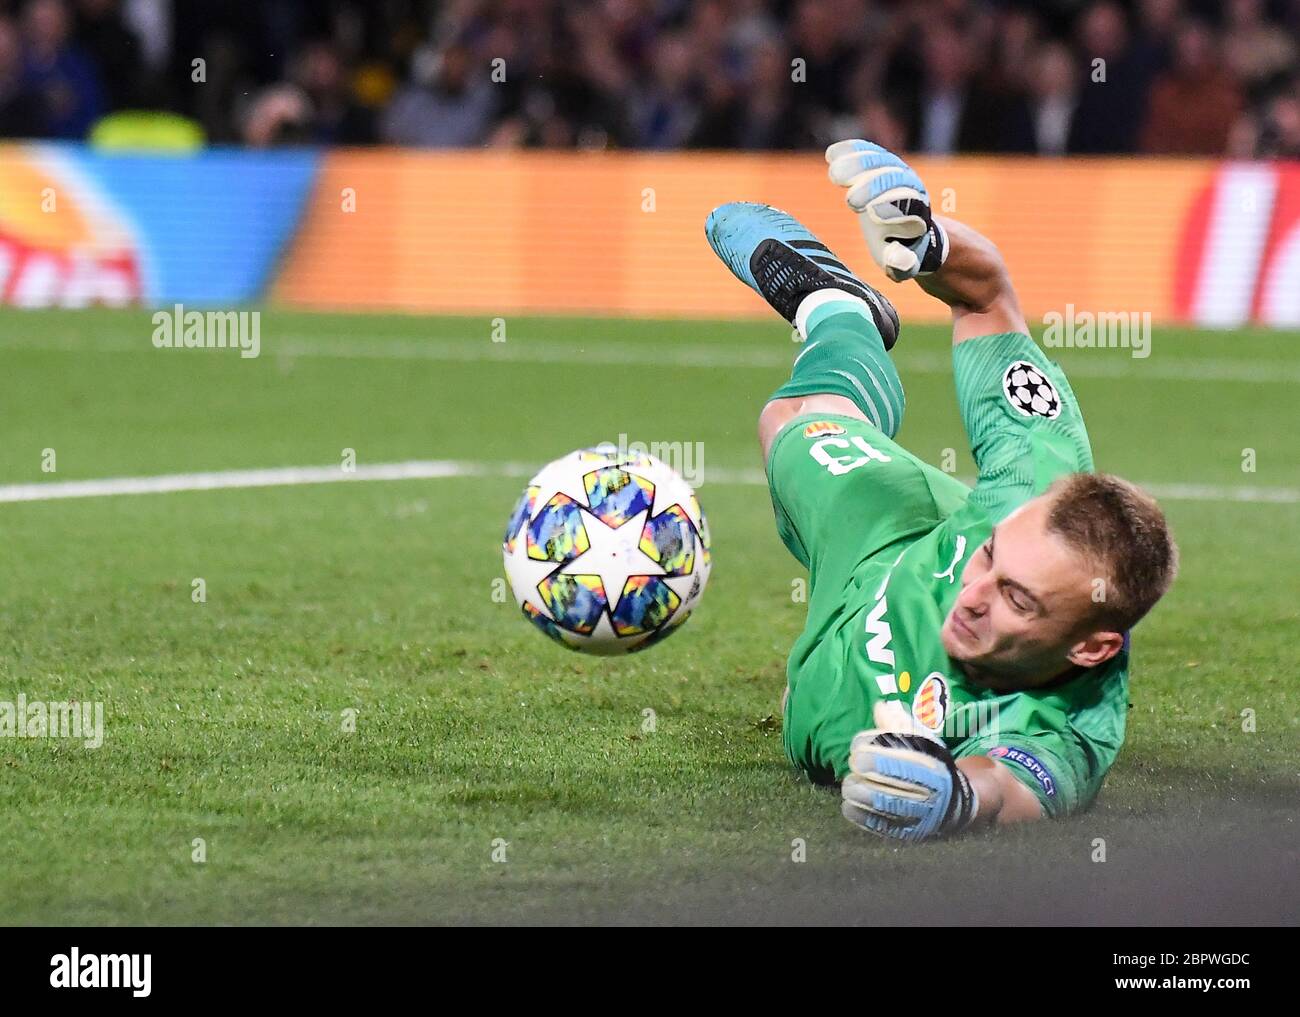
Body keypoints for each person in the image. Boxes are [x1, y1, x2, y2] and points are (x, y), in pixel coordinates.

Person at [703, 141, 1178, 842]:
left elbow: (1008, 787)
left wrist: (955, 794)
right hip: (894, 542)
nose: (975, 593)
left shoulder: (1071, 729)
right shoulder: (1033, 474)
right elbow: (986, 294)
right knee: (789, 420)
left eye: (1018, 598)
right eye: (990, 558)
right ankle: (839, 310)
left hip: (844, 652)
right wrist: (925, 240)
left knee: (815, 700)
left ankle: (842, 313)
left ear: (1091, 648)